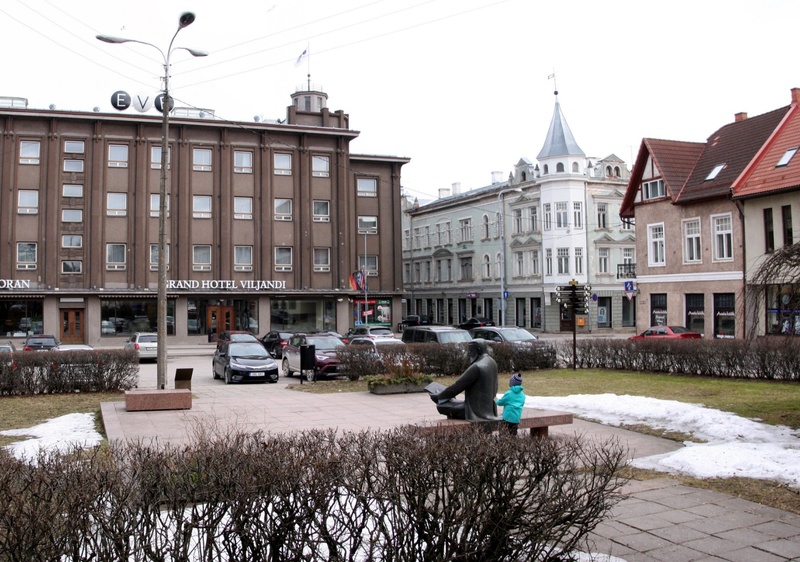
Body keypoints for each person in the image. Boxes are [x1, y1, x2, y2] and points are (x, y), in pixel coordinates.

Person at [428, 339, 499, 421]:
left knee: (441, 406)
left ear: (478, 350)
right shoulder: (492, 362)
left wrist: (439, 396)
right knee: (452, 402)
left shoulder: (477, 367)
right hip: (490, 407)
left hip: (476, 411)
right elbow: (495, 386)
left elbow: (457, 386)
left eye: (471, 350)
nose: (469, 353)